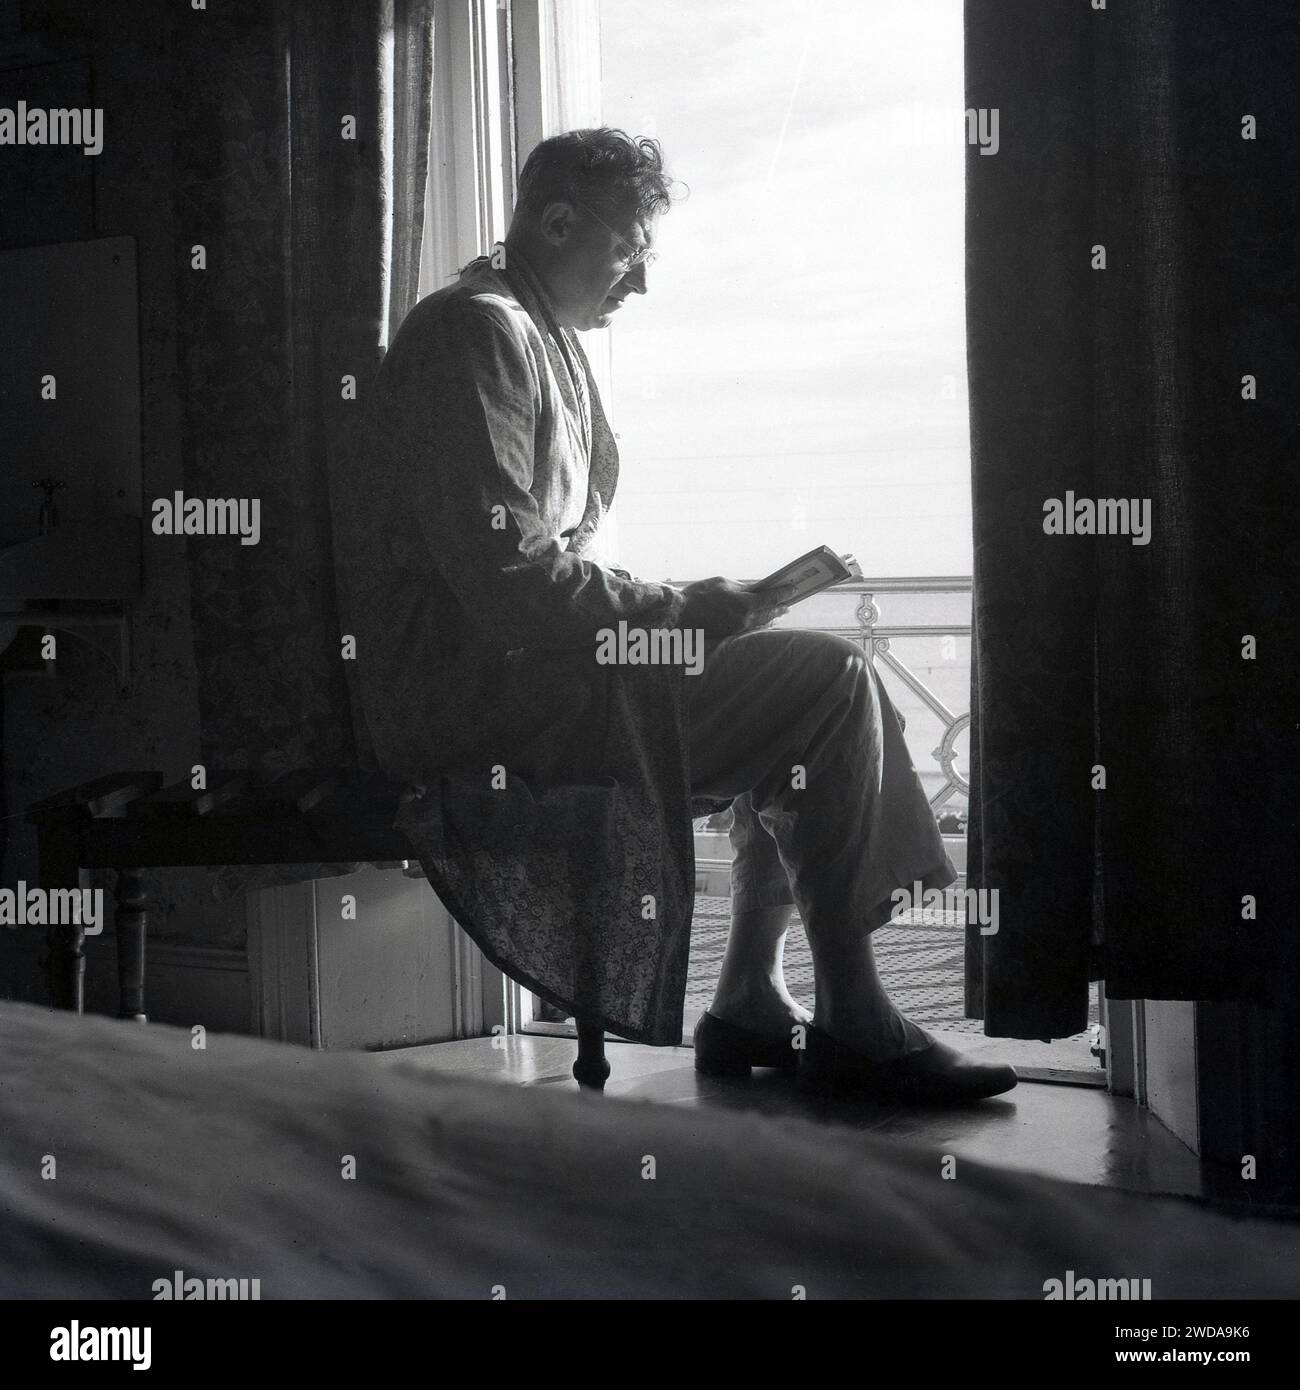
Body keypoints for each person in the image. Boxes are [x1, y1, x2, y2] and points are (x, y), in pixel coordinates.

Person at [337, 128, 1016, 1104]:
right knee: (828, 681)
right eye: (629, 251)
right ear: (557, 220)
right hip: (472, 699)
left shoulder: (532, 334)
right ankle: (856, 1017)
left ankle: (747, 996)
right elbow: (508, 583)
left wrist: (699, 617)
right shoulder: (473, 331)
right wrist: (695, 611)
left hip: (523, 678)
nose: (640, 284)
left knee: (795, 690)